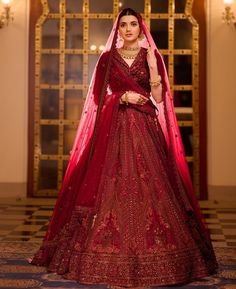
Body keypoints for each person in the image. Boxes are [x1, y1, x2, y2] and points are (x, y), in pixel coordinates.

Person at [31, 8, 218, 287]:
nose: (128, 29)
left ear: (141, 29)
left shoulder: (150, 56)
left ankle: (163, 252)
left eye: (133, 24)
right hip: (115, 128)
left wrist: (154, 70)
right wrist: (122, 96)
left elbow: (157, 98)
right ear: (117, 30)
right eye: (123, 25)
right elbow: (97, 98)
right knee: (112, 186)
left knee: (153, 186)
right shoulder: (107, 59)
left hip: (145, 129)